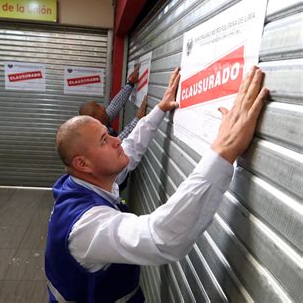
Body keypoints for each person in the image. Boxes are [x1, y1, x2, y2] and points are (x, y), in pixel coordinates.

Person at [45, 66, 269, 302]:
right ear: (83, 164)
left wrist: (160, 109)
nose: (116, 140)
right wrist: (224, 150)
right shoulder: (86, 226)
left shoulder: (82, 181)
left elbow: (130, 148)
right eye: (104, 140)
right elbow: (163, 236)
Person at [79, 64, 146, 140]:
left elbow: (115, 105)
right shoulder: (99, 138)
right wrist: (137, 119)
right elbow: (118, 142)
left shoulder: (101, 121)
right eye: (98, 107)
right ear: (95, 118)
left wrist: (130, 83)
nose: (103, 108)